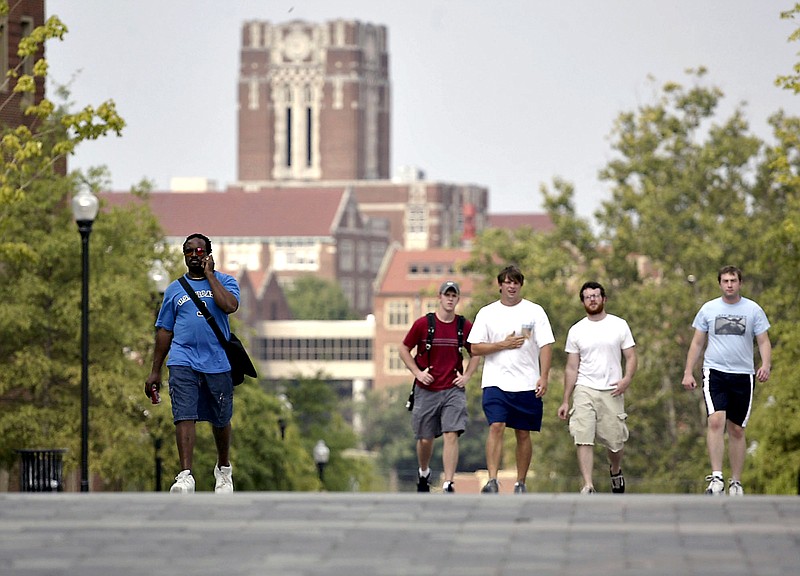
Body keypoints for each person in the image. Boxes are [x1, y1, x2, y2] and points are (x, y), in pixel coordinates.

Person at [145, 233, 241, 494]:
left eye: (200, 251)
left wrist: (211, 276)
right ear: (184, 256)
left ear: (209, 254)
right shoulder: (175, 290)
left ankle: (223, 470)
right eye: (190, 252)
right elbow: (164, 330)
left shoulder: (226, 282)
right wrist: (155, 370)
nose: (195, 256)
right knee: (184, 415)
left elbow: (229, 306)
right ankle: (185, 476)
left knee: (221, 418)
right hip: (182, 360)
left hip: (217, 361)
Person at [682, 265, 771, 496]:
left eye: (733, 280)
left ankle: (736, 482)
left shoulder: (753, 310)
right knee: (715, 421)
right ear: (720, 283)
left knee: (737, 429)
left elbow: (763, 340)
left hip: (743, 374)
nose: (729, 284)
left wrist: (766, 364)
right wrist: (688, 372)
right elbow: (697, 343)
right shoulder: (709, 309)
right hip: (715, 372)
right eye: (725, 281)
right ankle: (717, 477)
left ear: (740, 283)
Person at [468, 265, 555, 494]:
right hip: (495, 381)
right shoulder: (487, 313)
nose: (512, 286)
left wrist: (544, 376)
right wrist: (501, 345)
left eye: (515, 282)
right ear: (500, 285)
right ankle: (492, 480)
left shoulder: (534, 312)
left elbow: (546, 345)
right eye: (507, 282)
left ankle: (520, 482)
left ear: (521, 285)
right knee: (496, 426)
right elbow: (474, 347)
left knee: (523, 432)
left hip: (527, 381)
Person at [399, 281, 480, 493]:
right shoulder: (423, 324)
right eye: (447, 295)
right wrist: (417, 373)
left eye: (454, 296)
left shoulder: (464, 326)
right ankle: (424, 472)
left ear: (458, 299)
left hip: (453, 389)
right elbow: (404, 349)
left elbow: (476, 353)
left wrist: (467, 376)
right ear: (440, 297)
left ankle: (448, 482)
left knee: (451, 433)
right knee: (425, 438)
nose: (450, 299)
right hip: (427, 388)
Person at [557, 282, 637, 495]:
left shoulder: (619, 325)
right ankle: (588, 484)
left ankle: (616, 469)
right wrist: (566, 399)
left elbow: (630, 356)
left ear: (604, 299)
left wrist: (627, 379)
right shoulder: (577, 330)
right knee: (583, 434)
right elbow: (571, 367)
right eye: (588, 297)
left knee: (615, 441)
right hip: (585, 388)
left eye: (596, 296)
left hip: (612, 388)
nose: (592, 299)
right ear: (583, 302)